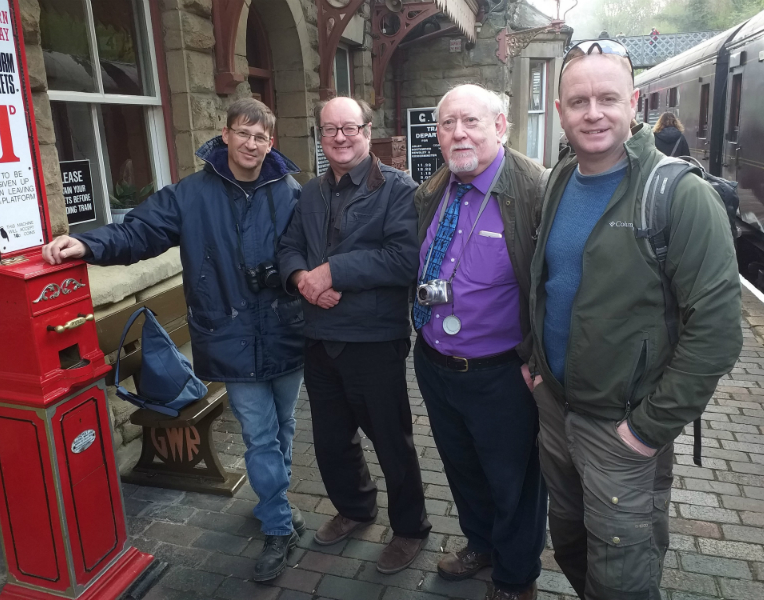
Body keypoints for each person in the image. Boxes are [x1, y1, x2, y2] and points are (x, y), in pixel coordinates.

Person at [41, 98, 307, 582]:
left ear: (272, 143)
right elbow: (140, 231)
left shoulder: (289, 191)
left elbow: (307, 250)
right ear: (224, 135)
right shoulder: (190, 195)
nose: (252, 144)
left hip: (285, 329)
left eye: (261, 137)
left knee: (284, 425)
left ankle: (276, 500)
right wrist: (89, 243)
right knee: (259, 433)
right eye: (243, 133)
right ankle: (278, 526)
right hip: (227, 331)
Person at [530, 40, 742, 600]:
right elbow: (546, 284)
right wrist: (535, 367)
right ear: (560, 111)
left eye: (607, 98)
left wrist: (647, 430)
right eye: (578, 101)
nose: (592, 112)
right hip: (556, 409)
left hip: (622, 427)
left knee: (623, 570)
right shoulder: (560, 179)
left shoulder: (679, 194)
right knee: (571, 543)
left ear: (634, 102)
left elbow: (717, 333)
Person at [277, 96, 431, 574]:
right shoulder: (310, 192)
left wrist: (332, 272)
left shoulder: (399, 189)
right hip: (319, 334)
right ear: (320, 137)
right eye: (329, 130)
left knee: (391, 440)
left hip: (373, 339)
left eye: (349, 128)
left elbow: (405, 259)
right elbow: (288, 247)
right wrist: (303, 278)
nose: (339, 137)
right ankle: (356, 507)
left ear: (367, 130)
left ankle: (410, 528)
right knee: (331, 439)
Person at [412, 84, 546, 600]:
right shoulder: (436, 188)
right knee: (462, 467)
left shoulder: (533, 190)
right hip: (437, 363)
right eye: (447, 124)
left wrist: (537, 360)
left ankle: (516, 576)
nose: (458, 132)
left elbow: (556, 286)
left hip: (503, 373)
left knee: (514, 480)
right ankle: (481, 544)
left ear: (500, 126)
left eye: (470, 121)